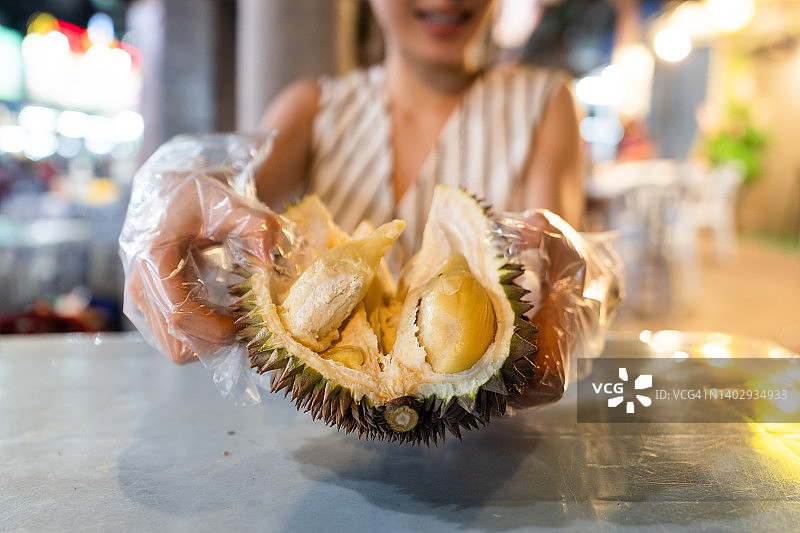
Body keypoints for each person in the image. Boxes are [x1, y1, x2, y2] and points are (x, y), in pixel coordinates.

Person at [125, 0, 587, 368]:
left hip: (487, 436)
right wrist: (173, 200)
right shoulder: (314, 108)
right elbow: (232, 192)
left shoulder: (545, 103)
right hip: (323, 440)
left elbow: (557, 263)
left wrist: (566, 297)